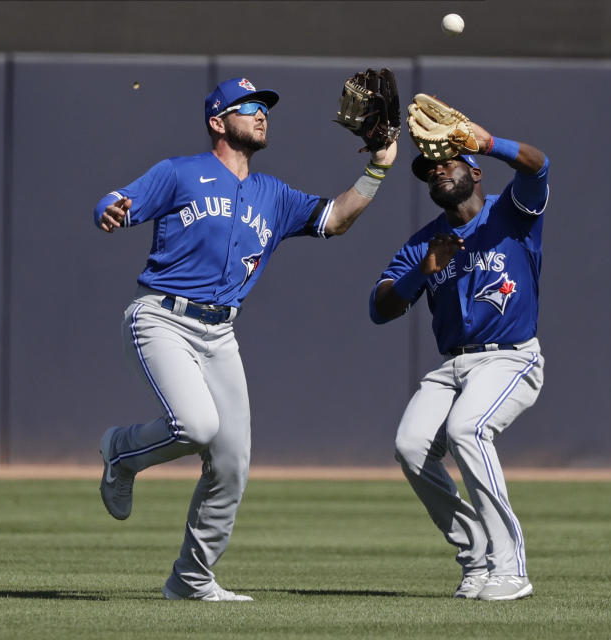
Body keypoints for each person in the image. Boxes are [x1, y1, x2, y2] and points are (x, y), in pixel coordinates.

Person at [94, 76, 397, 602]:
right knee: (196, 425)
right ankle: (120, 453)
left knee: (231, 464)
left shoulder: (273, 195)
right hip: (162, 317)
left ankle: (190, 579)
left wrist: (377, 169)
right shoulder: (179, 172)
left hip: (221, 332)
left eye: (265, 108)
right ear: (218, 121)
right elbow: (119, 199)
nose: (261, 114)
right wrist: (111, 208)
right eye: (248, 106)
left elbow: (337, 218)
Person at [369, 113, 549, 601]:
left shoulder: (510, 213)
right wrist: (422, 272)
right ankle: (476, 558)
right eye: (429, 169)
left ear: (475, 170)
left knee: (468, 429)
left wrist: (489, 141)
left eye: (447, 162)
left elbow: (538, 166)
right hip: (453, 366)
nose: (437, 171)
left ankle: (510, 568)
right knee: (410, 446)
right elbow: (380, 308)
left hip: (510, 357)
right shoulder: (423, 244)